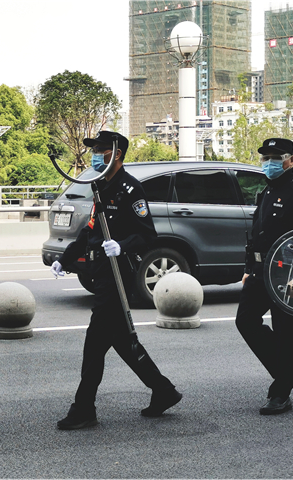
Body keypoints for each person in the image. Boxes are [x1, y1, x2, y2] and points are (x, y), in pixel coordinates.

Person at [51, 131, 181, 430]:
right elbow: (91, 231)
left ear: (117, 153)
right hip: (101, 273)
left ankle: (84, 408)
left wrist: (122, 244)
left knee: (94, 345)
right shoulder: (101, 186)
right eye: (94, 149)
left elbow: (147, 234)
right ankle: (163, 390)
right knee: (121, 340)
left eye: (100, 149)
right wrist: (65, 258)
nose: (95, 154)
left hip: (117, 275)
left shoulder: (129, 189)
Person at [235, 138, 293, 415]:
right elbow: (257, 235)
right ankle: (289, 369)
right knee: (245, 321)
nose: (269, 162)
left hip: (287, 275)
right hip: (260, 272)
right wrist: (248, 269)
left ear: (290, 160)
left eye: (276, 157)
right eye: (265, 157)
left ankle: (280, 393)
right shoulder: (268, 191)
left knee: (285, 332)